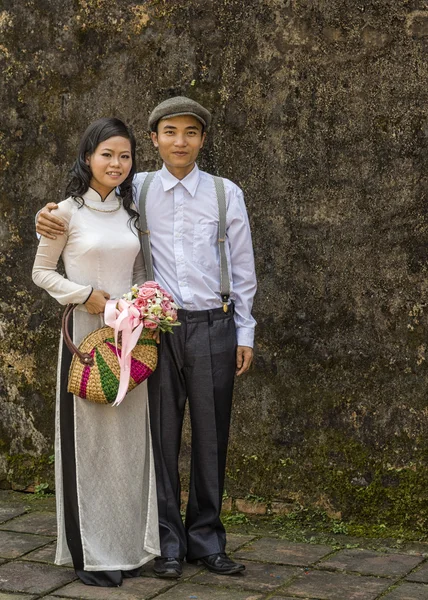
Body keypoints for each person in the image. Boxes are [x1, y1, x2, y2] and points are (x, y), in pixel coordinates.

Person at [36, 97, 257, 579]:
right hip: (155, 330)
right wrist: (45, 215)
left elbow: (243, 268)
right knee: (157, 438)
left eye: (191, 132)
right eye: (170, 132)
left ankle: (207, 541)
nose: (181, 141)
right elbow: (82, 202)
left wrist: (246, 329)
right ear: (154, 140)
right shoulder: (136, 187)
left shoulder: (226, 194)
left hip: (214, 324)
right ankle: (168, 544)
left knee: (211, 438)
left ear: (202, 140)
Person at [32, 117, 160, 587]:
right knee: (87, 445)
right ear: (87, 156)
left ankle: (127, 548)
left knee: (128, 446)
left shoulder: (131, 213)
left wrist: (146, 305)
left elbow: (141, 269)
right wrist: (84, 295)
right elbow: (41, 272)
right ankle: (90, 552)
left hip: (129, 336)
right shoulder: (62, 213)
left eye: (125, 156)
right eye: (107, 154)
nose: (116, 163)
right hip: (85, 333)